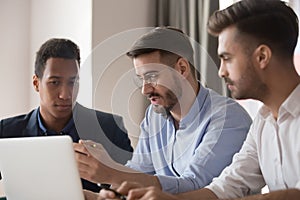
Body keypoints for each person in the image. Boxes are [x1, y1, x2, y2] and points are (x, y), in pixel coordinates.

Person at [96, 0, 300, 199]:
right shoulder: (263, 123)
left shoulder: (230, 117)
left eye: (227, 58)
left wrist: (112, 173)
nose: (220, 71)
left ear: (262, 56)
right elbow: (226, 187)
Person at [74, 26, 252, 198]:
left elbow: (195, 186)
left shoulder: (228, 118)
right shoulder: (154, 116)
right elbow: (139, 172)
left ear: (182, 68)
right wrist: (102, 193)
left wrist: (111, 173)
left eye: (152, 76)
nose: (145, 89)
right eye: (141, 79)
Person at [0, 38, 133, 192]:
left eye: (73, 82)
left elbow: (133, 188)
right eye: (55, 83)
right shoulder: (6, 132)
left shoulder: (110, 128)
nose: (65, 95)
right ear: (36, 83)